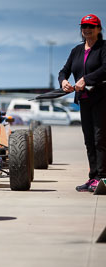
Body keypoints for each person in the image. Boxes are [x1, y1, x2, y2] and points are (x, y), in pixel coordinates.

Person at [58, 14, 106, 192]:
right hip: (84, 100)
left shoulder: (103, 47)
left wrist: (86, 79)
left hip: (101, 99)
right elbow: (64, 70)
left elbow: (105, 69)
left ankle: (102, 177)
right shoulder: (76, 50)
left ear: (99, 29)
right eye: (84, 26)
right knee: (89, 140)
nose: (87, 29)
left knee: (100, 138)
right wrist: (64, 81)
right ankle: (93, 177)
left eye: (91, 26)